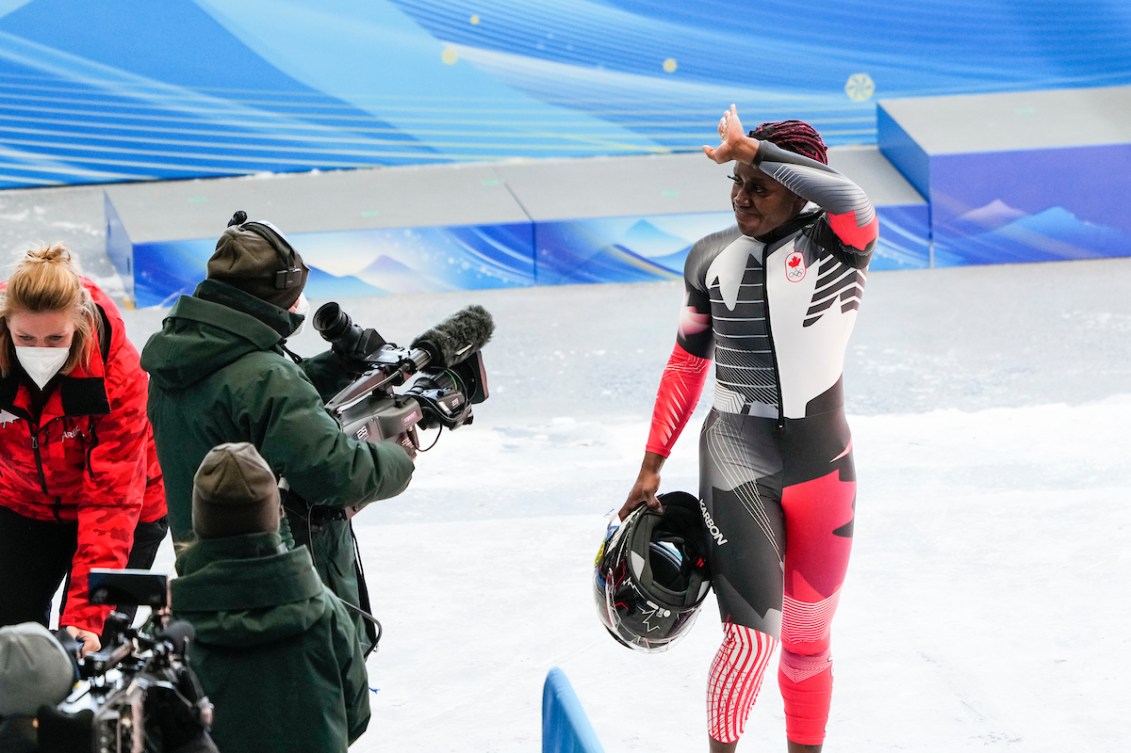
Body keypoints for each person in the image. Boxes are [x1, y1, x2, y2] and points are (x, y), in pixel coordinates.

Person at [621, 105, 879, 753]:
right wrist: (651, 464)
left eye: (757, 185)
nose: (740, 197)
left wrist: (755, 149)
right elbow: (685, 366)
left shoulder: (843, 243)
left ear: (799, 187)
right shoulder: (709, 258)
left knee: (806, 642)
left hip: (823, 462)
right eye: (734, 182)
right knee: (748, 640)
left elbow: (849, 193)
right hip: (735, 452)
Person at [140, 211, 414, 654]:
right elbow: (334, 472)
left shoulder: (184, 354)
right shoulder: (265, 378)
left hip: (205, 573)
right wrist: (398, 459)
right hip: (285, 581)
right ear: (274, 297)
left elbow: (243, 402)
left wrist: (332, 369)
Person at [0, 244, 167, 656]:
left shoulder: (121, 373)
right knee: (15, 644)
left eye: (55, 337)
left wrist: (85, 618)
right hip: (23, 502)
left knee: (96, 647)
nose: (40, 349)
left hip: (129, 513)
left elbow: (112, 500)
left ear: (81, 322)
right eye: (25, 337)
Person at [171, 442, 371, 752]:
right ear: (274, 516)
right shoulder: (325, 610)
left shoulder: (172, 628)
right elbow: (355, 715)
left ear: (200, 522)